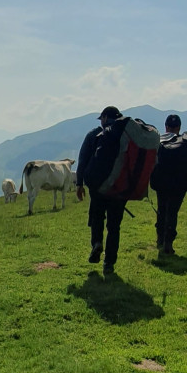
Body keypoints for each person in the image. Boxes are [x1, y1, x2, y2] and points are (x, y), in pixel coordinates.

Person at [76, 106, 127, 276]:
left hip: (98, 187)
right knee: (114, 227)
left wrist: (79, 184)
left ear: (105, 118)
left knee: (97, 216)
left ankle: (97, 242)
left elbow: (83, 160)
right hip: (119, 188)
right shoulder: (126, 134)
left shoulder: (94, 135)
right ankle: (109, 264)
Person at [151, 114, 187, 256]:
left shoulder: (159, 142)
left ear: (166, 127)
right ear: (179, 127)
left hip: (161, 183)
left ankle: (160, 239)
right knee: (172, 212)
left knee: (162, 210)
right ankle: (168, 242)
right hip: (179, 184)